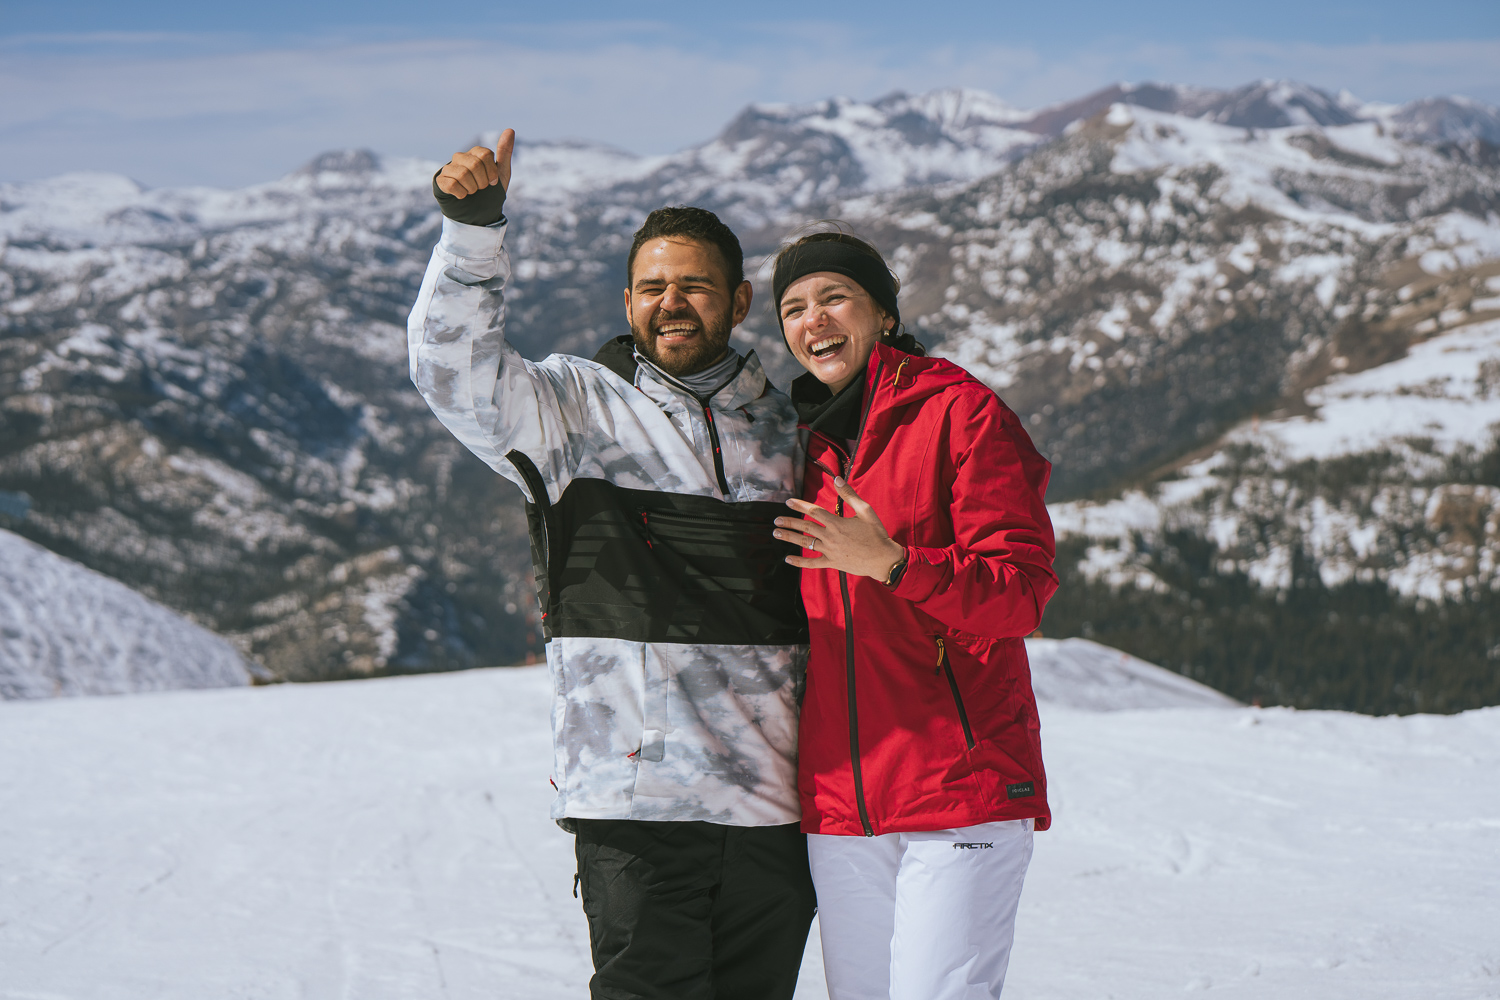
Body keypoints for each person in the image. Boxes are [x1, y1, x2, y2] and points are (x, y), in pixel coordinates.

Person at [409, 132, 816, 1000]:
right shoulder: (571, 410)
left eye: (695, 286)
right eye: (653, 287)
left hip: (772, 806)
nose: (672, 303)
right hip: (636, 803)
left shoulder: (792, 435)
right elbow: (452, 372)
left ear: (739, 299)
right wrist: (473, 233)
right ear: (626, 299)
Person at [769, 230, 1058, 1000]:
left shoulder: (959, 413)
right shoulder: (804, 444)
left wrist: (894, 564)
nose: (813, 320)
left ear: (885, 316)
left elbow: (1022, 592)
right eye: (793, 308)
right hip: (841, 804)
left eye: (834, 298)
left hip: (958, 790)